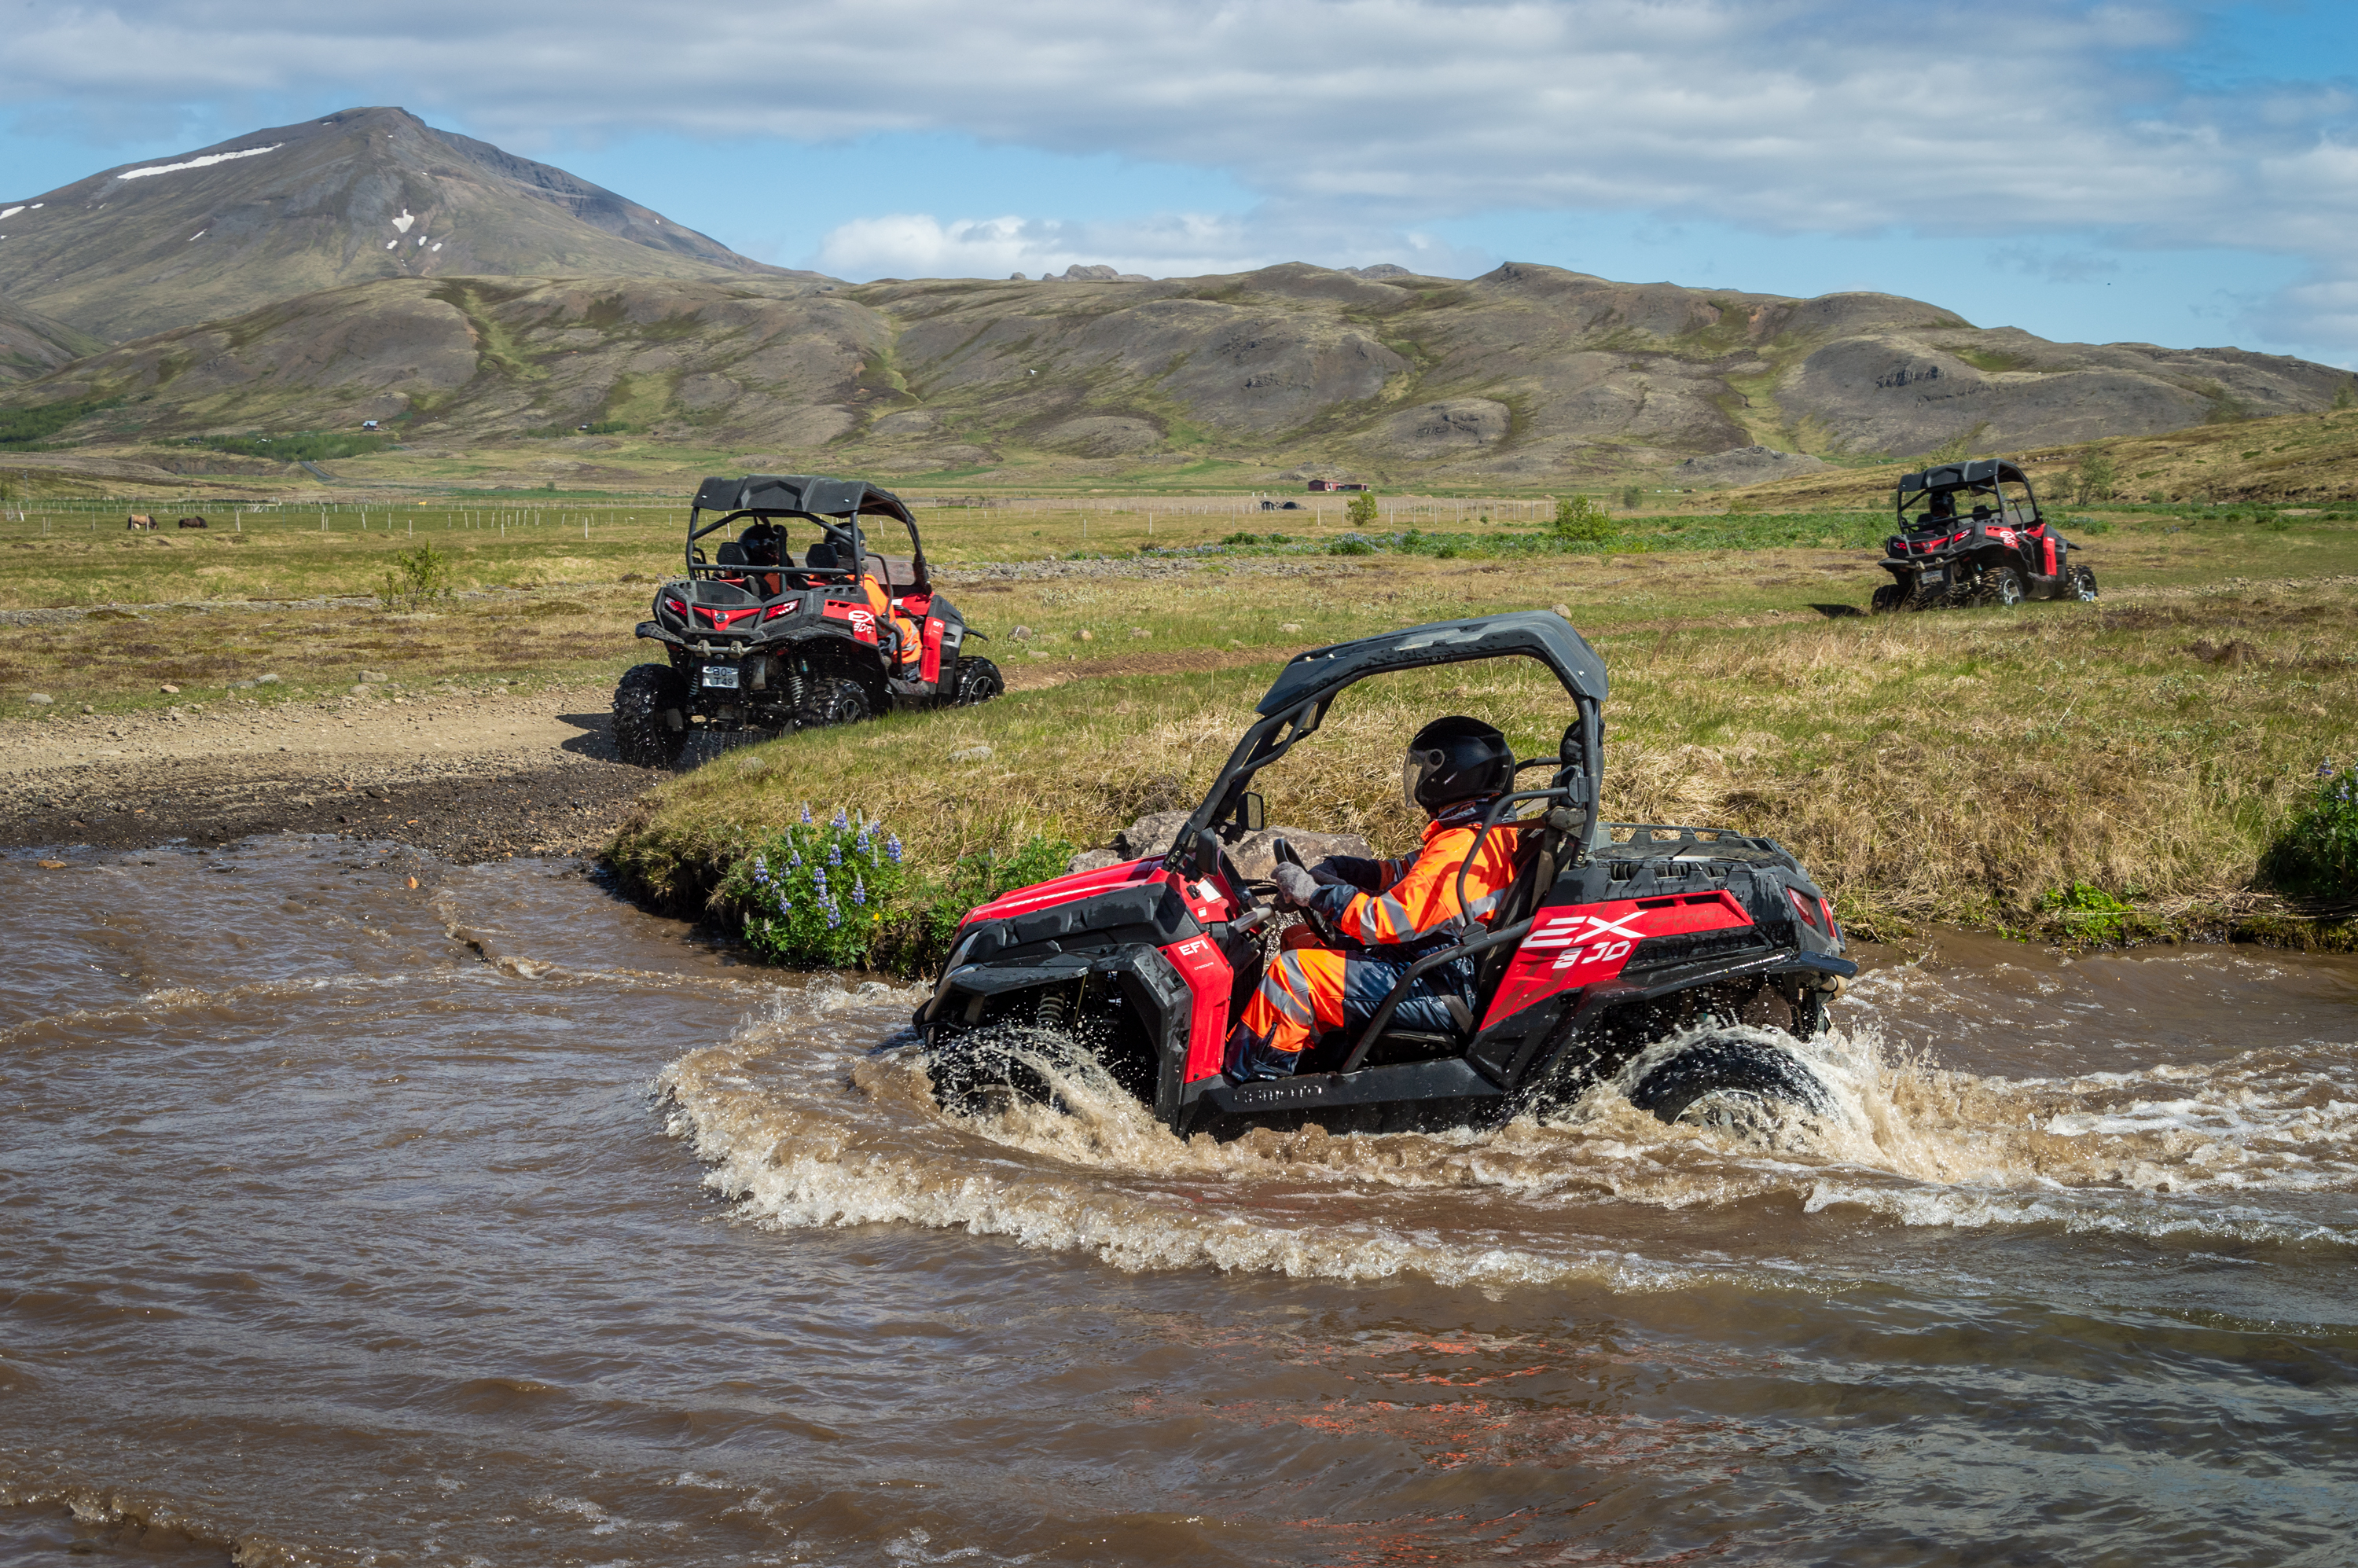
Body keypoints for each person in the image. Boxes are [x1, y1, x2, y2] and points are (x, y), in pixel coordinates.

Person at [1225, 716, 1527, 1081]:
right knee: (1297, 940)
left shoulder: (1462, 850)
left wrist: (1316, 893)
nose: (1416, 777)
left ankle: (1248, 1086)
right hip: (1435, 961)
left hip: (1437, 983)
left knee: (1294, 976)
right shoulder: (1482, 832)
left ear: (1450, 773)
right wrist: (1344, 869)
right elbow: (1405, 875)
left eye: (1423, 766)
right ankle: (1305, 1058)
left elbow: (1382, 921)